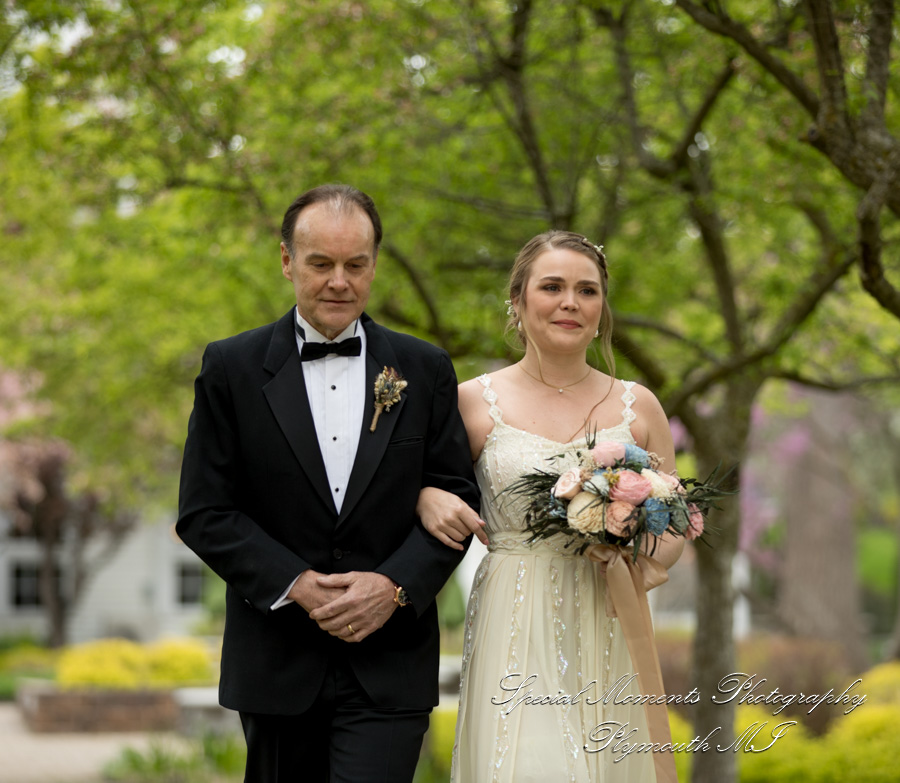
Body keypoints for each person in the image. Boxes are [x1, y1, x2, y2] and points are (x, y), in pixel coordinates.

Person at [176, 184, 479, 783]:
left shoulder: (425, 369)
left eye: (355, 265)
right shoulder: (229, 368)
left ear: (374, 266)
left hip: (390, 667)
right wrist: (295, 584)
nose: (339, 281)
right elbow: (205, 511)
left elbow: (458, 501)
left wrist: (392, 587)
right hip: (277, 664)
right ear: (287, 261)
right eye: (321, 264)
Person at [416, 230, 684, 782]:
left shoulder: (639, 406)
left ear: (602, 309)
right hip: (514, 615)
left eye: (587, 291)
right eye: (552, 286)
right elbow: (420, 486)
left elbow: (673, 521)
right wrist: (425, 495)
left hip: (609, 611)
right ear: (517, 302)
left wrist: (630, 526)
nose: (570, 302)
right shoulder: (469, 401)